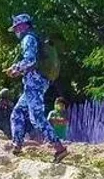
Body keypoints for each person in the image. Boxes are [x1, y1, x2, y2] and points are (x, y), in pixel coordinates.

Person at [5, 13, 67, 163]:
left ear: (24, 26)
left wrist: (15, 68)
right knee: (18, 112)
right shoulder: (34, 38)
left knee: (37, 117)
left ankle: (59, 148)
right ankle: (17, 145)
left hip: (35, 82)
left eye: (17, 28)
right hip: (36, 83)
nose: (16, 32)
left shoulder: (29, 38)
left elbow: (30, 60)